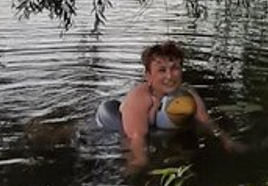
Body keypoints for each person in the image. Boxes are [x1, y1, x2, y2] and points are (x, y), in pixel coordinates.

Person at [97, 40, 239, 171]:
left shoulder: (187, 94)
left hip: (167, 135)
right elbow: (136, 137)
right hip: (121, 127)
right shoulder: (140, 98)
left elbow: (206, 121)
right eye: (162, 70)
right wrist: (140, 162)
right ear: (148, 76)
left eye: (175, 68)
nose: (170, 76)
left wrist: (226, 141)